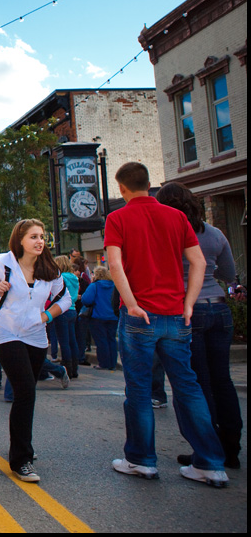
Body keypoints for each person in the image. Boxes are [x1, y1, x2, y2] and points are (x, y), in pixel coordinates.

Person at [105, 161, 228, 487]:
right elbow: (198, 262)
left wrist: (130, 304)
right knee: (188, 386)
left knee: (140, 389)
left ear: (122, 188)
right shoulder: (176, 217)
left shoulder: (117, 218)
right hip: (176, 314)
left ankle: (141, 460)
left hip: (139, 315)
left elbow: (115, 265)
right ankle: (211, 463)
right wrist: (188, 303)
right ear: (149, 184)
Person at [155, 181, 242, 471]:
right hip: (219, 308)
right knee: (223, 380)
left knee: (197, 383)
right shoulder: (215, 234)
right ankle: (231, 447)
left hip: (186, 310)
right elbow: (229, 274)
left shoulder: (169, 234)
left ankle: (208, 449)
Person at [0, 219, 71, 483]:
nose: (39, 241)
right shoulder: (3, 263)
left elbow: (66, 299)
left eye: (42, 237)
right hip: (6, 332)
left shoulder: (49, 268)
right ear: (20, 239)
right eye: (33, 237)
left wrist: (46, 316)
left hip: (36, 336)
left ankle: (21, 447)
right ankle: (21, 459)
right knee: (25, 390)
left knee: (27, 393)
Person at [81, 267, 117, 370]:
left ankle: (104, 363)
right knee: (111, 340)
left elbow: (86, 300)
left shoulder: (94, 286)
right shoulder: (114, 285)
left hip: (97, 316)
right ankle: (112, 363)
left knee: (101, 341)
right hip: (113, 316)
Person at [53, 256, 80, 378]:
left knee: (64, 342)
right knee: (72, 340)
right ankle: (74, 368)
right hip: (73, 309)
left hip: (62, 310)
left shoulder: (61, 278)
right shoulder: (74, 277)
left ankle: (67, 367)